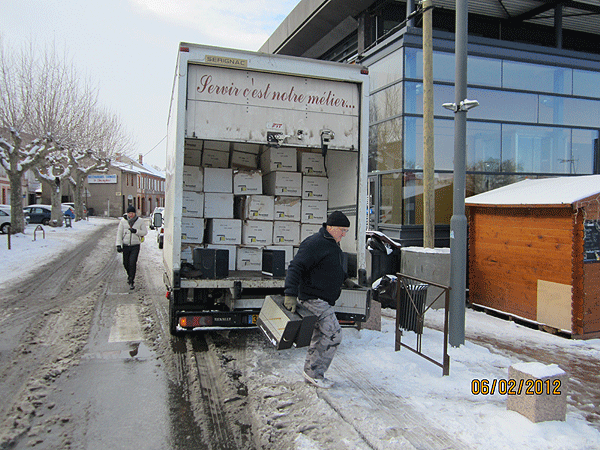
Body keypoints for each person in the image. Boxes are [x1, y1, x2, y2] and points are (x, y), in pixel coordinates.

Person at [283, 210, 355, 389]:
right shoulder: (314, 243)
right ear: (330, 227)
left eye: (346, 231)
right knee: (333, 334)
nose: (344, 234)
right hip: (314, 298)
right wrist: (290, 294)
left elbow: (331, 266)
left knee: (321, 335)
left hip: (323, 298)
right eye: (342, 230)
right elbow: (295, 267)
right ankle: (315, 373)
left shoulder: (331, 243)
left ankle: (311, 372)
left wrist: (345, 279)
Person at [116, 205, 148, 290]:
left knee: (132, 263)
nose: (131, 215)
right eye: (129, 213)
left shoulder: (140, 221)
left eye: (132, 213)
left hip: (135, 245)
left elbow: (145, 232)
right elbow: (119, 233)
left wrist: (136, 231)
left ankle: (131, 281)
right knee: (125, 263)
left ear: (135, 213)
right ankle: (129, 275)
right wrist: (118, 245)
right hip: (126, 245)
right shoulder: (123, 221)